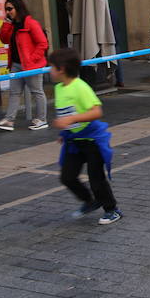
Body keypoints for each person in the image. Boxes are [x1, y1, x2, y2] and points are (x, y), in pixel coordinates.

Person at [49, 48, 121, 225]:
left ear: (62, 69)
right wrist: (65, 132)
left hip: (92, 141)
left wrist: (72, 119)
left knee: (96, 179)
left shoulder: (80, 87)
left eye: (51, 67)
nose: (49, 70)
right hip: (74, 141)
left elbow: (97, 111)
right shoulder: (59, 88)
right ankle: (90, 201)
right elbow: (68, 113)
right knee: (67, 177)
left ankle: (112, 209)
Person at [0, 0, 49, 131]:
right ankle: (9, 120)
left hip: (31, 65)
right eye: (6, 9)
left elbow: (43, 43)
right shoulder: (11, 25)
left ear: (18, 8)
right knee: (14, 92)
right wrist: (6, 23)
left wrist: (32, 59)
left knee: (37, 92)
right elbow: (4, 39)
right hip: (16, 64)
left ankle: (42, 119)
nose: (8, 12)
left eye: (10, 9)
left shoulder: (31, 23)